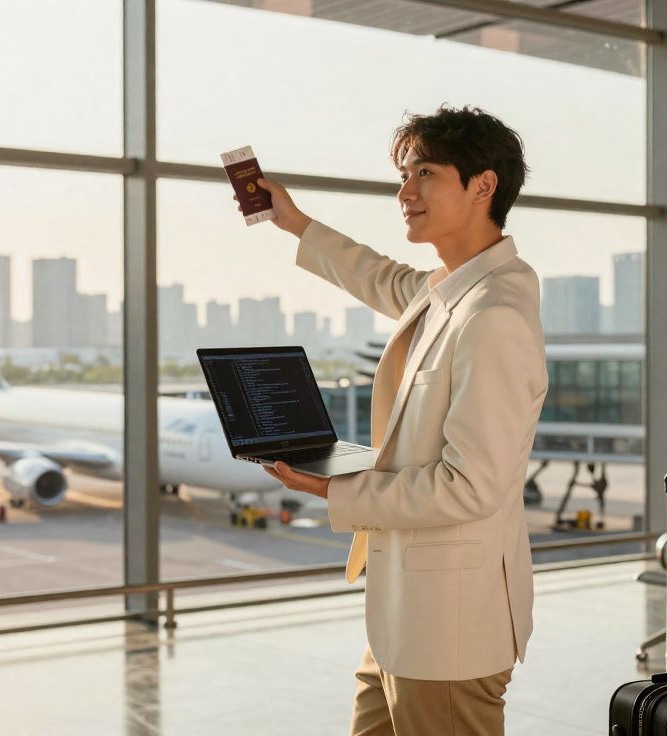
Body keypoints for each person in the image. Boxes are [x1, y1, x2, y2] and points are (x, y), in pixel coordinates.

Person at [243, 105, 548, 735]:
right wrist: (291, 220)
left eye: (424, 174)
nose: (404, 194)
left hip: (449, 631)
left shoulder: (493, 315)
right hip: (404, 619)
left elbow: (470, 485)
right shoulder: (450, 292)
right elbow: (380, 277)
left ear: (482, 186)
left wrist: (336, 488)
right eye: (402, 177)